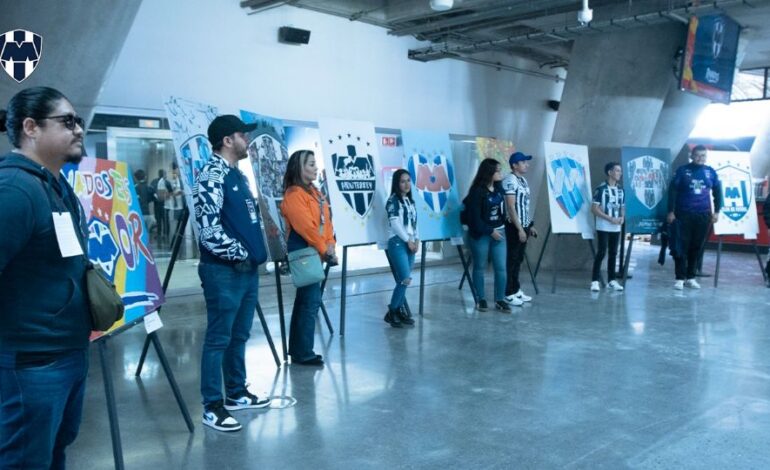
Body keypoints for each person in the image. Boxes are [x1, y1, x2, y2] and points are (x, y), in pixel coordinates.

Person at [0, 87, 91, 468]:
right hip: (32, 363)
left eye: (79, 122)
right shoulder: (16, 190)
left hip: (67, 352)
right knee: (25, 460)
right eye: (67, 121)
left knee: (54, 451)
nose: (79, 130)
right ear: (31, 128)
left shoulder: (54, 186)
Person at [194, 115, 270, 432]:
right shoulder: (211, 175)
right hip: (224, 272)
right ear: (227, 140)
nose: (247, 140)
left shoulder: (237, 175)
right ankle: (212, 406)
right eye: (242, 135)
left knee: (239, 335)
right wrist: (241, 254)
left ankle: (236, 393)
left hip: (246, 271)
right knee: (218, 339)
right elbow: (208, 230)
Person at [281, 150, 337, 365]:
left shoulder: (315, 192)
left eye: (315, 164)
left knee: (306, 301)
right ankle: (303, 352)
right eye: (311, 164)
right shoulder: (295, 195)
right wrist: (325, 250)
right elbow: (307, 229)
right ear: (299, 167)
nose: (315, 168)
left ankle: (299, 349)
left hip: (317, 251)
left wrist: (330, 244)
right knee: (309, 303)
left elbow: (327, 222)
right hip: (307, 252)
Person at [667, 145, 721, 290]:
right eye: (698, 155)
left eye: (703, 155)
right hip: (683, 215)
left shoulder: (710, 172)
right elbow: (672, 191)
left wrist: (717, 212)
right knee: (680, 247)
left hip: (703, 215)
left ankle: (691, 277)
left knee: (696, 247)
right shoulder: (682, 171)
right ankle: (679, 278)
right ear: (692, 155)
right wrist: (670, 211)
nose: (700, 158)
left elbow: (718, 192)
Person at [463, 158, 510, 312]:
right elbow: (474, 219)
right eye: (497, 170)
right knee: (480, 266)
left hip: (500, 232)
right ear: (489, 172)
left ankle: (500, 299)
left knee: (501, 268)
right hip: (482, 234)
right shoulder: (477, 191)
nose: (500, 173)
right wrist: (490, 231)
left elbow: (502, 209)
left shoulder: (499, 189)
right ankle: (481, 298)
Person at [384, 169, 419, 328]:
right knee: (405, 278)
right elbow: (395, 224)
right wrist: (408, 240)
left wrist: (417, 239)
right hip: (398, 242)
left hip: (410, 242)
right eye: (402, 181)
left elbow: (414, 223)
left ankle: (396, 311)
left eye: (408, 181)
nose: (406, 184)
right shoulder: (393, 201)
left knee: (403, 281)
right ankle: (392, 311)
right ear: (397, 183)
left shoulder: (410, 202)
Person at [502, 151, 538, 306]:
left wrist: (529, 225)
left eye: (526, 162)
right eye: (523, 162)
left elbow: (524, 206)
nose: (526, 165)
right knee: (511, 259)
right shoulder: (510, 180)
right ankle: (507, 292)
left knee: (518, 259)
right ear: (514, 165)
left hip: (523, 225)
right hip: (513, 226)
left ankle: (515, 289)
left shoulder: (522, 180)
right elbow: (511, 206)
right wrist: (519, 229)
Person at [590, 162, 626, 292]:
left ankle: (612, 280)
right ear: (610, 172)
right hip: (604, 225)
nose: (619, 173)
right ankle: (594, 280)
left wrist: (622, 217)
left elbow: (622, 206)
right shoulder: (601, 189)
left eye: (620, 171)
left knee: (613, 252)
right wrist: (610, 218)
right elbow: (594, 209)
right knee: (602, 252)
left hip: (616, 227)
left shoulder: (621, 189)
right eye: (617, 170)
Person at [159, 162, 184, 243]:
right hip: (169, 208)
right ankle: (170, 245)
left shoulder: (181, 180)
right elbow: (161, 197)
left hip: (180, 208)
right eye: (176, 170)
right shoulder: (163, 181)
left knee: (179, 232)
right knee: (170, 232)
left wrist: (183, 193)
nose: (177, 172)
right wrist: (173, 194)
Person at [134, 169, 157, 233]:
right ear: (145, 176)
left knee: (140, 233)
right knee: (147, 232)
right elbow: (155, 198)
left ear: (136, 178)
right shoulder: (150, 187)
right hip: (148, 213)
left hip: (138, 214)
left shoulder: (135, 188)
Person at [150, 169, 167, 241]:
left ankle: (161, 233)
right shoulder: (165, 182)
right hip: (161, 204)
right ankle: (163, 234)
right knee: (162, 219)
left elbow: (151, 191)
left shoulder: (155, 182)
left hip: (159, 204)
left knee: (160, 219)